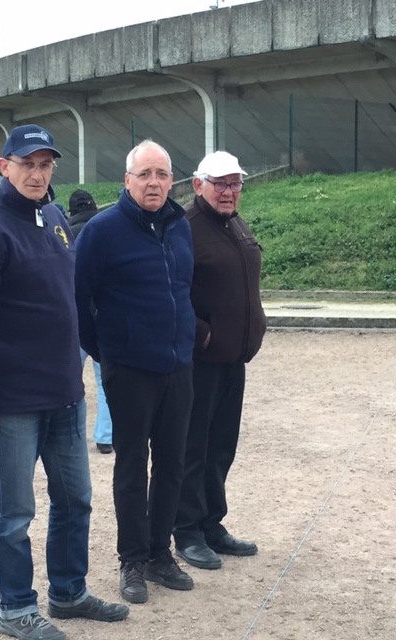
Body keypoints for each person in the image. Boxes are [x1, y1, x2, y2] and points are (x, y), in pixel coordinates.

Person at [0, 124, 129, 640]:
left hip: (64, 394)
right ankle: (16, 609)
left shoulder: (54, 218)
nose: (37, 174)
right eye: (27, 164)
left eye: (45, 165)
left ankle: (68, 592)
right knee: (15, 512)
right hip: (13, 402)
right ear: (4, 166)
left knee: (75, 500)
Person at [75, 140, 195, 604]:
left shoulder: (180, 227)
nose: (153, 183)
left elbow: (183, 289)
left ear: (171, 180)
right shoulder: (102, 231)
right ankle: (132, 559)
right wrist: (107, 351)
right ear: (127, 181)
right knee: (131, 466)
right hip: (129, 369)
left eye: (161, 174)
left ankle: (160, 553)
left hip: (177, 366)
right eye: (144, 174)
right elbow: (79, 299)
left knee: (172, 463)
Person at [173, 151, 267, 570]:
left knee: (221, 448)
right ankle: (187, 531)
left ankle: (212, 523)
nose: (228, 191)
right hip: (200, 360)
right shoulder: (184, 227)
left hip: (234, 358)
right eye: (220, 183)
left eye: (235, 183)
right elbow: (169, 290)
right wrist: (202, 332)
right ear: (199, 185)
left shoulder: (235, 223)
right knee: (193, 448)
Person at [68, 189, 113, 454]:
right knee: (105, 380)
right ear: (94, 206)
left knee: (68, 381)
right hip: (101, 315)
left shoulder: (61, 234)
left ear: (70, 211)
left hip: (71, 318)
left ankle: (68, 437)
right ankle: (105, 436)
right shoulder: (104, 231)